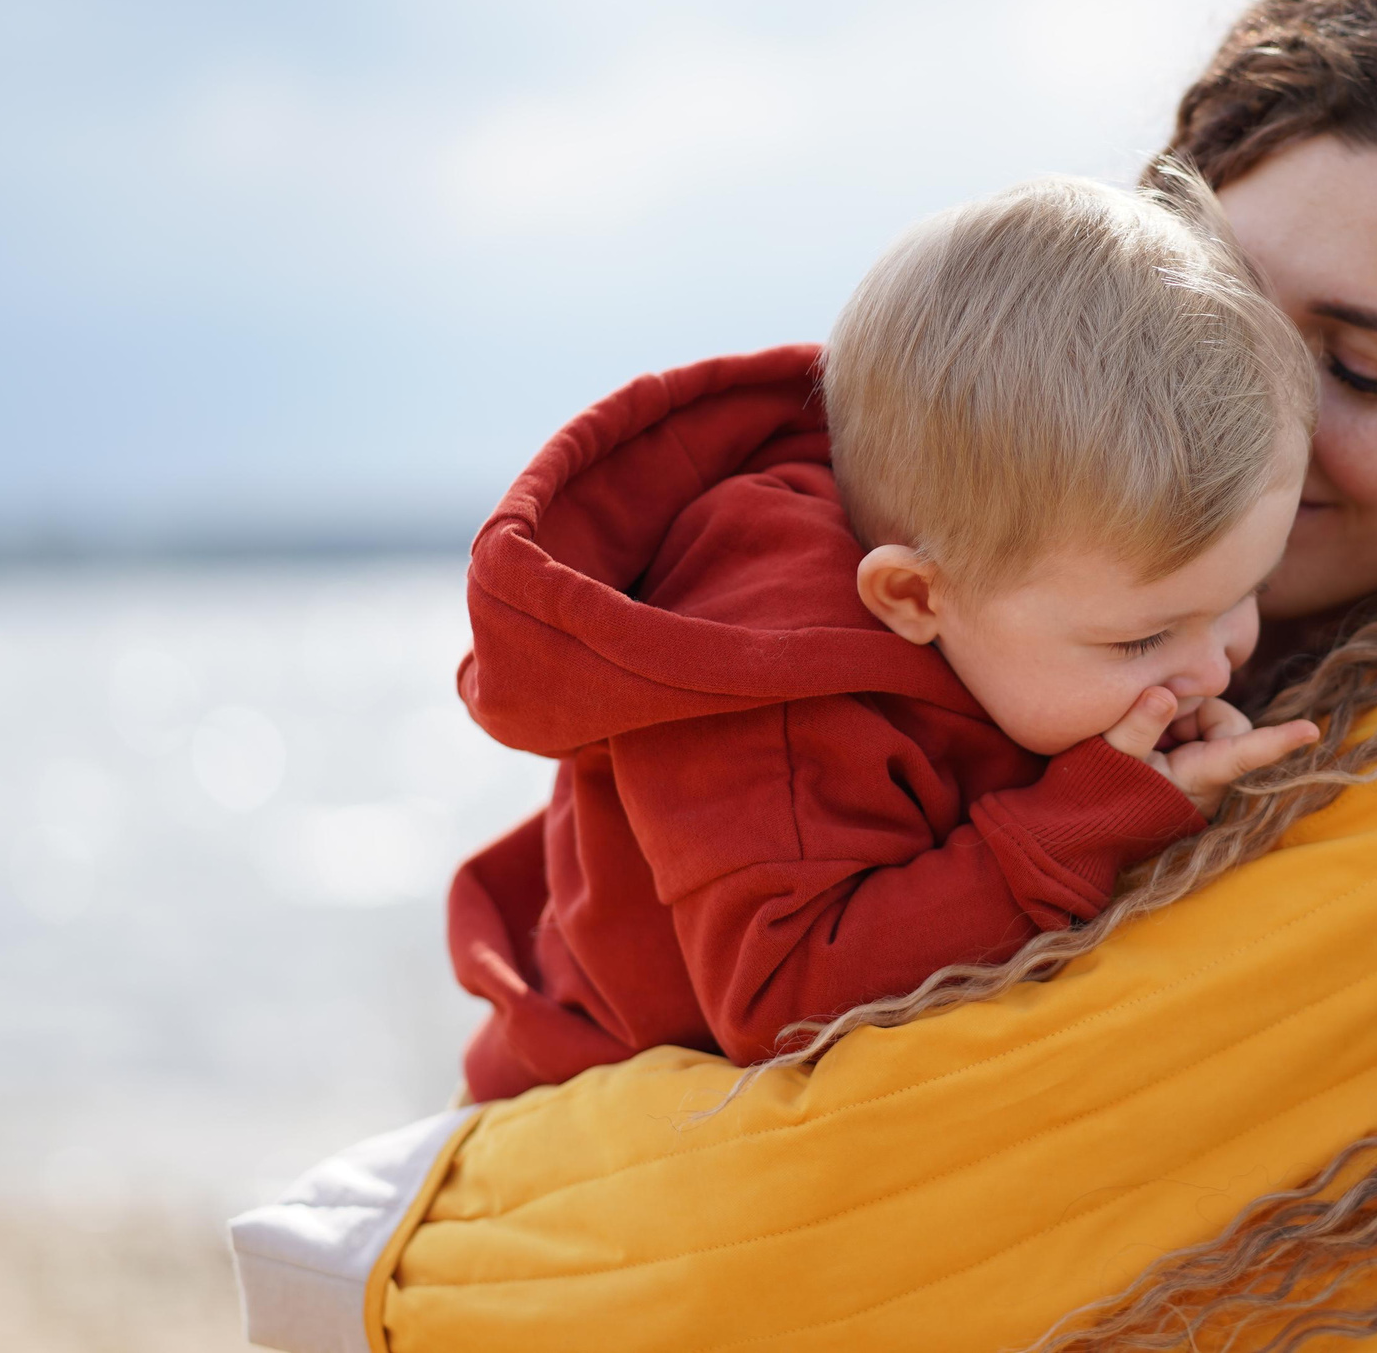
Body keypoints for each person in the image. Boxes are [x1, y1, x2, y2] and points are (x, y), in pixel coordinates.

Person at [228, 0, 1377, 1353]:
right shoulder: (897, 587)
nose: (1240, 417)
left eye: (1362, 369)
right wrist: (381, 1243)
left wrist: (394, 1239)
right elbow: (802, 1186)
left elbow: (860, 1206)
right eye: (1219, 314)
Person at [446, 173, 1322, 1100]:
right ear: (913, 596)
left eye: (1247, 593)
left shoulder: (1022, 586)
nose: (1216, 663)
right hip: (572, 1090)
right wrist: (1087, 823)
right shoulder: (780, 704)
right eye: (1142, 640)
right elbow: (783, 1001)